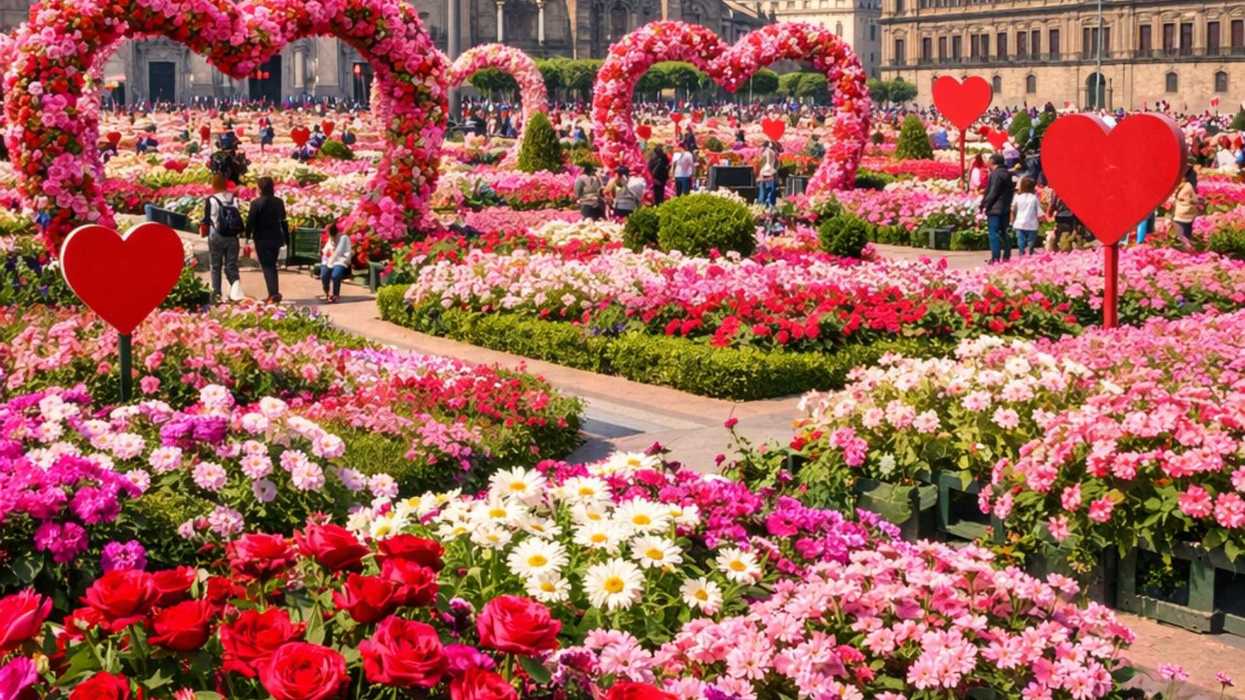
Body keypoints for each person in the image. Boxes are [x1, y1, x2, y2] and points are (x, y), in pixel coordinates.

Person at [200, 172, 245, 302]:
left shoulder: (211, 199)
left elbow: (206, 219)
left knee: (215, 266)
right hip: (232, 236)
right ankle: (235, 293)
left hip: (216, 235)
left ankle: (216, 294)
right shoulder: (234, 198)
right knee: (231, 264)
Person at [245, 176, 289, 303]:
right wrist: (286, 238)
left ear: (260, 189)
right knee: (272, 265)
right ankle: (273, 292)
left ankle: (273, 294)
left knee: (267, 266)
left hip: (262, 238)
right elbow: (283, 221)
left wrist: (247, 236)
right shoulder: (279, 202)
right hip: (276, 237)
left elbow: (250, 221)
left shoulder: (256, 203)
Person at [980, 153, 1015, 263]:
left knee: (993, 233)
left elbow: (993, 191)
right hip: (1005, 207)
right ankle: (1007, 255)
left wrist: (985, 204)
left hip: (995, 208)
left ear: (993, 162)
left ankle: (995, 257)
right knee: (1004, 232)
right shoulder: (1007, 174)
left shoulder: (995, 174)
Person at [320, 223, 351, 303]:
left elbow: (341, 252)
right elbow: (326, 250)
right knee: (324, 275)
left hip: (340, 261)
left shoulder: (343, 238)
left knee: (335, 275)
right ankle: (327, 293)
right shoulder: (330, 238)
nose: (327, 234)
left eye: (328, 232)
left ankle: (335, 294)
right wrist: (325, 254)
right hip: (329, 260)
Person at [1010, 176, 1040, 257]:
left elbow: (1013, 209)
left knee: (1021, 240)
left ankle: (1021, 253)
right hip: (1032, 223)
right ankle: (1030, 252)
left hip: (1019, 222)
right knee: (1031, 241)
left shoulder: (1017, 197)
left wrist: (1012, 220)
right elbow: (1039, 211)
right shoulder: (1034, 198)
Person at [1171, 166, 1201, 247]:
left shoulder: (1179, 186)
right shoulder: (1189, 186)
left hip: (1179, 214)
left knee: (1180, 235)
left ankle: (1183, 247)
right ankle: (1187, 247)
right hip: (1187, 214)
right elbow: (1195, 199)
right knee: (1187, 233)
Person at [757, 141, 779, 208]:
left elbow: (768, 163)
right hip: (769, 174)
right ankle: (767, 206)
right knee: (768, 194)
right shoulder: (772, 152)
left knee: (765, 195)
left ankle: (765, 206)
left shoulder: (768, 152)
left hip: (767, 173)